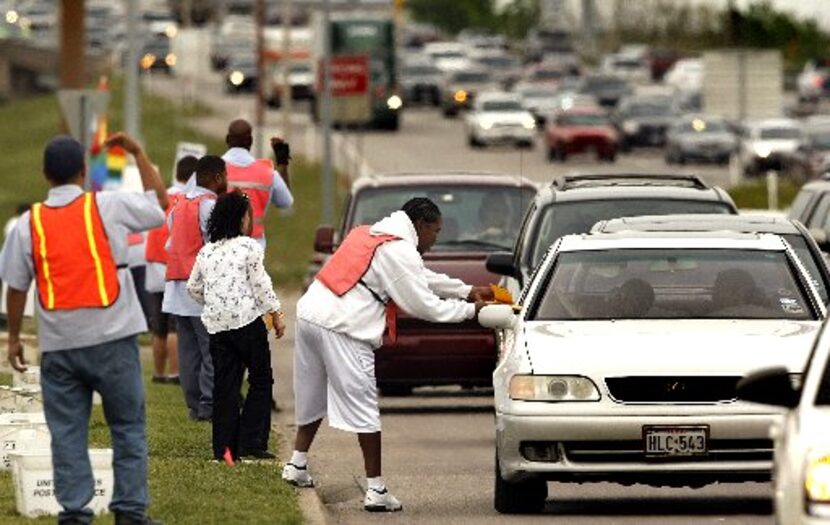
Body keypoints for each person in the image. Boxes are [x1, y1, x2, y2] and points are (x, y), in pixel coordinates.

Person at [282, 197, 493, 512]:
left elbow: (418, 275)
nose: (436, 240)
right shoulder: (400, 249)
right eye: (435, 232)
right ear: (420, 226)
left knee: (313, 395)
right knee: (365, 408)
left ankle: (296, 466)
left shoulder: (371, 234)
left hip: (311, 315)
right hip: (343, 325)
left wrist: (464, 289)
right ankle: (376, 490)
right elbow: (423, 305)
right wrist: (471, 310)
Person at [0, 134, 167, 525]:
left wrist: (12, 340)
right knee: (127, 428)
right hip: (114, 340)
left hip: (59, 346)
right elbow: (160, 206)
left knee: (68, 434)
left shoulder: (28, 224)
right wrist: (139, 154)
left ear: (45, 174)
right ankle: (129, 512)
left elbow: (16, 286)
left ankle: (74, 514)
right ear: (83, 172)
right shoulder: (107, 205)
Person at [186, 190, 286, 462]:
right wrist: (275, 313)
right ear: (241, 219)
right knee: (261, 380)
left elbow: (193, 287)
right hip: (246, 322)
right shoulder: (249, 246)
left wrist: (214, 301)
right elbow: (260, 284)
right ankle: (251, 441)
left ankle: (224, 449)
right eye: (247, 215)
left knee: (225, 387)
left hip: (218, 327)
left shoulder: (206, 252)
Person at [162, 155, 227, 422]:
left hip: (177, 288)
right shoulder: (210, 206)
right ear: (217, 178)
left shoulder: (179, 205)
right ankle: (209, 405)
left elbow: (170, 240)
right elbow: (220, 244)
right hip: (202, 290)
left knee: (188, 354)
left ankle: (193, 405)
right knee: (211, 349)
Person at [145, 156, 198, 384]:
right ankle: (176, 372)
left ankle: (158, 373)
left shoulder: (161, 197)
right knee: (175, 325)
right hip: (174, 266)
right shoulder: (188, 199)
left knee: (158, 326)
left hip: (152, 263)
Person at [222, 119, 293, 249]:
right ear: (250, 141)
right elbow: (286, 202)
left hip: (220, 249)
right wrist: (283, 164)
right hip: (254, 248)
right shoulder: (268, 173)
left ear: (227, 139)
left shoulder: (213, 169)